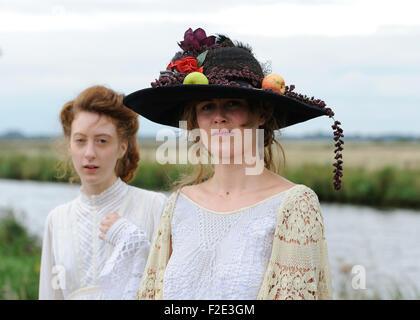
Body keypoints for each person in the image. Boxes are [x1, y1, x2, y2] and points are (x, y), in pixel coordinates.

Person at [123, 28, 344, 299]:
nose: (219, 117)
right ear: (195, 120)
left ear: (261, 113)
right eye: (206, 107)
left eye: (233, 103)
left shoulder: (293, 206)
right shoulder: (178, 205)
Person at [38, 85, 167, 300]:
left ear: (122, 147)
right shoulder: (57, 220)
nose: (89, 153)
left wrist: (132, 241)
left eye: (102, 141)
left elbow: (170, 288)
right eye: (80, 140)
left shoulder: (154, 206)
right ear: (70, 145)